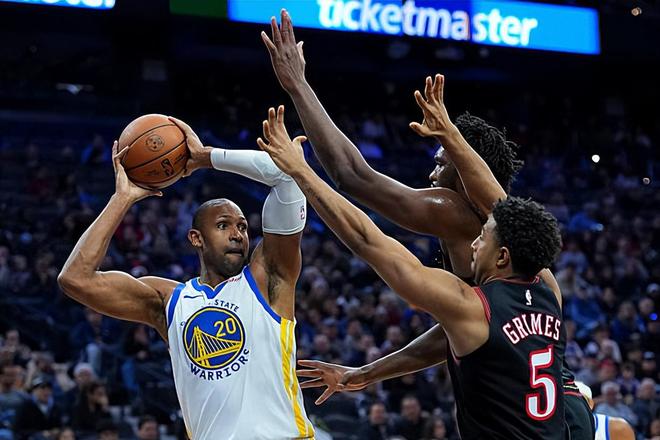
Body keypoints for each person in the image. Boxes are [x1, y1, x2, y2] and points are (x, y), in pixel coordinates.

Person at [262, 10, 593, 439]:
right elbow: (457, 332)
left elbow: (353, 181)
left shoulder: (455, 211)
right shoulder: (542, 276)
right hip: (562, 411)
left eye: (441, 164)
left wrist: (299, 88)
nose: (431, 174)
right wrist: (366, 373)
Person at [57, 119, 314, 439]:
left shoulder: (269, 277)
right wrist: (121, 198)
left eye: (242, 227)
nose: (237, 234)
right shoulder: (169, 301)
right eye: (223, 225)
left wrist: (207, 156)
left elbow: (287, 176)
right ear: (196, 238)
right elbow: (76, 278)